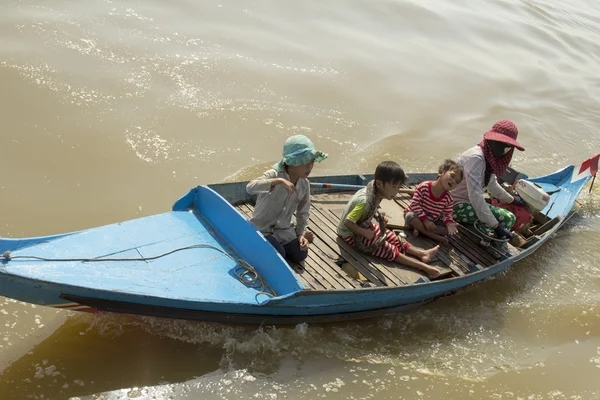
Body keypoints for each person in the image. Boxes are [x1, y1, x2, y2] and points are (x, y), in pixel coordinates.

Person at [337, 161, 444, 279]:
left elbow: (369, 211)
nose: (396, 191)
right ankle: (423, 267)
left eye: (399, 187)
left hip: (363, 226)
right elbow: (348, 222)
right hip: (350, 234)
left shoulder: (376, 192)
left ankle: (422, 253)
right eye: (393, 187)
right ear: (379, 183)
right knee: (387, 248)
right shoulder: (365, 201)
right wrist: (365, 233)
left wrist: (379, 217)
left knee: (391, 236)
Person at [246, 134, 327, 263]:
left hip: (283, 231)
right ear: (292, 162)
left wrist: (301, 234)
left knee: (301, 254)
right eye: (305, 163)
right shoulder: (274, 174)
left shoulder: (304, 184)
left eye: (311, 162)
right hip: (263, 228)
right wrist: (277, 182)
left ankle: (289, 240)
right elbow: (250, 187)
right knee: (279, 255)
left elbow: (303, 213)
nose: (309, 167)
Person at [450, 120, 527, 239]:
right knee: (507, 219)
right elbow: (475, 196)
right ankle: (484, 235)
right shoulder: (476, 159)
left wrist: (512, 199)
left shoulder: (488, 158)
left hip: (467, 202)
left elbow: (492, 185)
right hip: (454, 205)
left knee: (505, 217)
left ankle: (485, 229)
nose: (503, 148)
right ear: (491, 140)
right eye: (499, 143)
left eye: (507, 146)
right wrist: (496, 226)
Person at [404, 159, 464, 243]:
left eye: (457, 182)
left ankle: (420, 229)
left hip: (432, 221)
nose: (453, 181)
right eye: (452, 176)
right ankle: (429, 233)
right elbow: (415, 205)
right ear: (441, 172)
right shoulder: (424, 186)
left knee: (450, 229)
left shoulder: (448, 198)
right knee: (410, 216)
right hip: (418, 216)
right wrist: (425, 220)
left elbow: (447, 214)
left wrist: (449, 223)